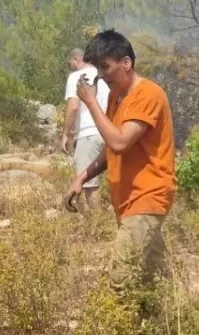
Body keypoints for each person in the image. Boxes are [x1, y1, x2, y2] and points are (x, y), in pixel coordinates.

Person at [67, 30, 176, 289]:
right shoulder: (117, 98)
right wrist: (82, 176)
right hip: (127, 201)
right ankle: (171, 324)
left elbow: (119, 141)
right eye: (99, 70)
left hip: (147, 196)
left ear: (126, 63)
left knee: (121, 280)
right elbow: (110, 149)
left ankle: (126, 327)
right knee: (155, 281)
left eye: (106, 67)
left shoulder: (148, 94)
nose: (103, 76)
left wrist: (91, 102)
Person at [61, 47, 111, 210]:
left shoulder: (76, 76)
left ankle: (97, 225)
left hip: (88, 133)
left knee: (89, 184)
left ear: (76, 60)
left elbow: (74, 107)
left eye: (71, 63)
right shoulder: (103, 75)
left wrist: (65, 135)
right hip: (108, 132)